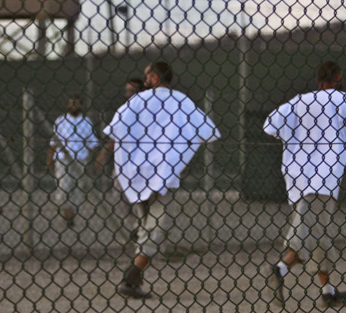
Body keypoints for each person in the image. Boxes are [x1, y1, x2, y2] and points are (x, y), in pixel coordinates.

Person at [103, 61, 220, 298]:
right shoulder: (181, 101)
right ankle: (132, 275)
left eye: (147, 76)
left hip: (134, 176)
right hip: (164, 176)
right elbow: (208, 131)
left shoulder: (137, 102)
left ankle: (134, 278)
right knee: (155, 229)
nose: (145, 81)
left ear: (155, 78)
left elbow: (114, 130)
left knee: (147, 227)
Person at [264, 61, 346, 306]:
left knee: (320, 234)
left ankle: (327, 291)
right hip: (327, 177)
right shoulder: (345, 101)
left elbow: (271, 127)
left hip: (300, 175)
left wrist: (297, 140)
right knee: (309, 231)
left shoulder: (300, 100)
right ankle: (280, 268)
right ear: (339, 78)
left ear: (318, 79)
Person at [96, 77, 145, 240]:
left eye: (131, 91)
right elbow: (115, 137)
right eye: (127, 91)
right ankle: (135, 225)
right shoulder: (124, 112)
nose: (127, 95)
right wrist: (103, 154)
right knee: (117, 196)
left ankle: (141, 227)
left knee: (140, 198)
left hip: (142, 162)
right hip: (123, 161)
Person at [47, 95, 98, 226]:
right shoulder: (61, 121)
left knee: (77, 189)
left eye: (76, 103)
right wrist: (49, 158)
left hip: (80, 159)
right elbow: (54, 141)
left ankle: (72, 215)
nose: (73, 106)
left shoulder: (86, 121)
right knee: (63, 188)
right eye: (71, 103)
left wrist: (95, 160)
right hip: (63, 159)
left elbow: (92, 143)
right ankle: (66, 213)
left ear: (81, 105)